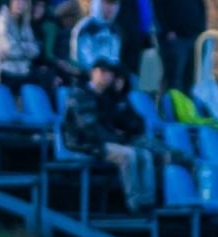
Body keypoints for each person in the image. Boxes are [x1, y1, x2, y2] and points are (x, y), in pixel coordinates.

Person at [62, 59, 156, 213]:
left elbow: (124, 121)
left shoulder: (107, 97)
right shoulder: (79, 94)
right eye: (103, 72)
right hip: (84, 143)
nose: (107, 77)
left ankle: (148, 200)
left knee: (145, 154)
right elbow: (89, 128)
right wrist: (117, 140)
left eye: (110, 73)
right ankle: (134, 203)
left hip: (103, 141)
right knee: (129, 155)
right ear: (93, 72)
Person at [0, 0, 52, 95]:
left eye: (23, 2)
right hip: (3, 74)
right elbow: (9, 50)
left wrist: (20, 47)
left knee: (47, 75)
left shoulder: (25, 25)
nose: (20, 4)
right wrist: (24, 48)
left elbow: (35, 51)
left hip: (23, 72)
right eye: (17, 1)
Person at [151, 0, 205, 93]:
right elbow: (157, 8)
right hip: (175, 39)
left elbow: (201, 6)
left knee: (191, 78)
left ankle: (186, 106)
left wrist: (202, 29)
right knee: (174, 80)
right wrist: (166, 31)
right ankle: (172, 106)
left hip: (195, 38)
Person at [70, 0, 122, 72]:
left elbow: (114, 59)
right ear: (97, 3)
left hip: (107, 77)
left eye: (115, 4)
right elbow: (82, 61)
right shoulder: (86, 28)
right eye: (107, 3)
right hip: (84, 78)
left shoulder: (114, 31)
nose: (111, 8)